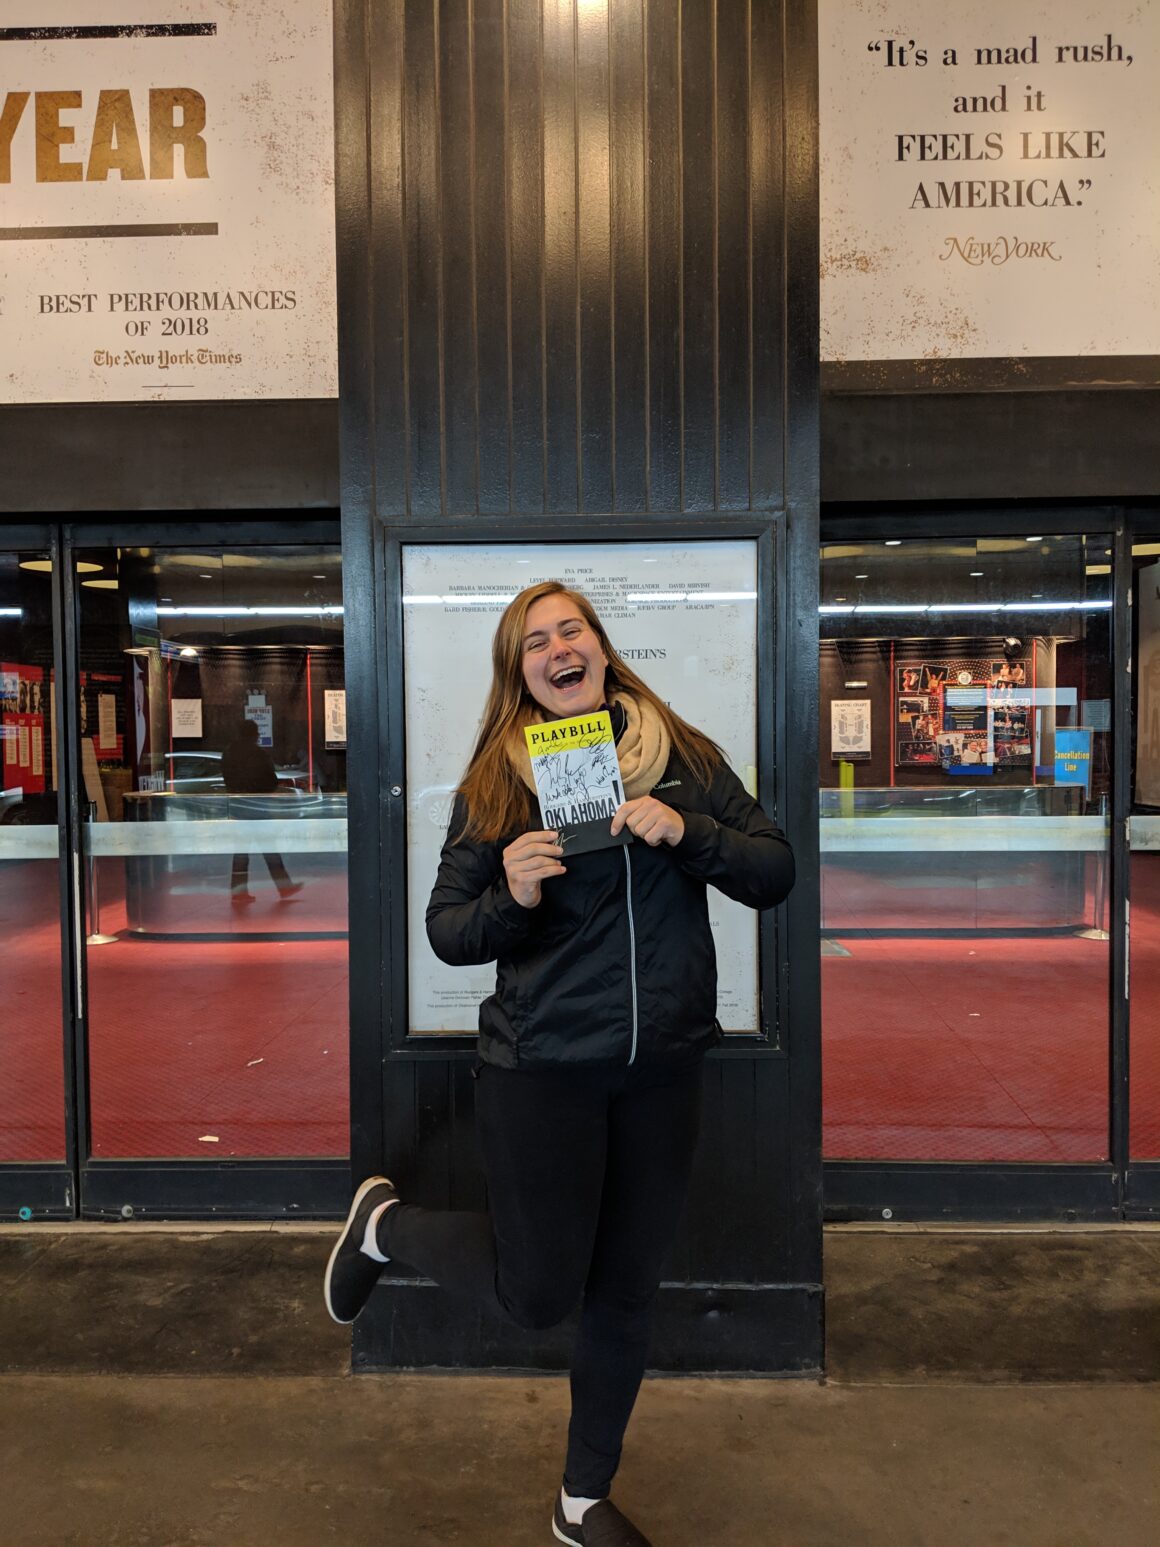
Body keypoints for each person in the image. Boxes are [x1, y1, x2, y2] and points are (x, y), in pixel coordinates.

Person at [323, 581, 795, 1547]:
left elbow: (775, 867)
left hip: (662, 1064)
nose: (555, 647)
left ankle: (580, 1502)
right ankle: (384, 1226)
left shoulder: (683, 755)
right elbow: (446, 931)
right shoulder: (497, 784)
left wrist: (688, 831)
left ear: (601, 646)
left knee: (626, 1291)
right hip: (542, 1070)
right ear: (520, 674)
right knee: (536, 1296)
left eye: (568, 628)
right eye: (532, 641)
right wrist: (509, 891)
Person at [220, 717, 303, 903]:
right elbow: (270, 781)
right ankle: (284, 887)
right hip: (257, 806)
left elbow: (227, 777)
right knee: (269, 848)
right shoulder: (258, 755)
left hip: (237, 806)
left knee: (241, 852)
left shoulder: (229, 753)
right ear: (253, 735)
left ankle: (238, 891)